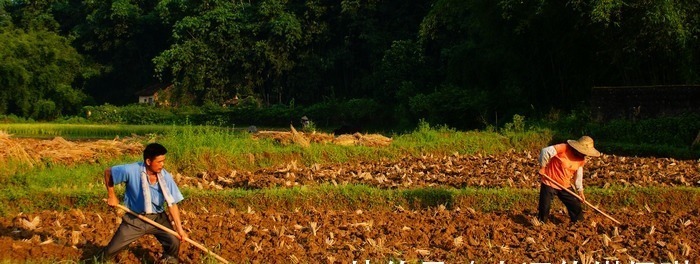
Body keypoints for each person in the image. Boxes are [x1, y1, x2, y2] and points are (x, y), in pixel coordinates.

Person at [99, 143, 187, 263]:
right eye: (159, 162)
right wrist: (112, 195)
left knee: (173, 241)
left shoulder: (165, 176)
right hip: (135, 219)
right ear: (148, 161)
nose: (163, 165)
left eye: (163, 161)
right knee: (111, 251)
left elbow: (172, 204)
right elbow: (108, 172)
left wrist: (180, 229)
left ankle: (169, 260)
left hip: (158, 218)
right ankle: (98, 260)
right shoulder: (131, 170)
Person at [537, 136, 601, 224]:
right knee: (544, 207)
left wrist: (580, 192)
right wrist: (543, 167)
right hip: (550, 182)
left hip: (565, 186)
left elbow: (578, 176)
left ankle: (579, 224)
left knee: (575, 205)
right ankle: (541, 223)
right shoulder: (564, 148)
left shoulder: (581, 160)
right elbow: (545, 151)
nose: (584, 155)